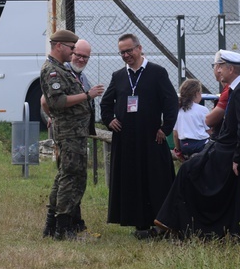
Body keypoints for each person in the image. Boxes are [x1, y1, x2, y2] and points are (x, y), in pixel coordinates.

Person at [154, 49, 240, 240]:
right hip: (224, 148)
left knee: (189, 170)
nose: (216, 71)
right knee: (190, 169)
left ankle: (176, 224)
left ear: (228, 69)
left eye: (217, 67)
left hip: (228, 152)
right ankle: (176, 224)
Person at [100, 33, 178, 239]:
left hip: (152, 138)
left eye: (129, 50)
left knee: (155, 179)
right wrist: (109, 120)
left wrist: (166, 128)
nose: (126, 55)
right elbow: (105, 104)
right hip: (126, 140)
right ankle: (139, 222)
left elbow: (171, 103)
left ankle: (161, 223)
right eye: (122, 52)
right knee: (132, 180)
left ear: (139, 48)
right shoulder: (118, 76)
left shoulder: (157, 72)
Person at [40, 30, 104, 240]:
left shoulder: (60, 69)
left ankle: (54, 226)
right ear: (59, 46)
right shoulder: (52, 70)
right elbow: (56, 102)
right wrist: (87, 95)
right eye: (71, 49)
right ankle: (64, 228)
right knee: (71, 179)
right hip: (69, 133)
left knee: (66, 177)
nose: (73, 53)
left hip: (75, 133)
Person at [172, 78, 210, 161]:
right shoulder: (203, 110)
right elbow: (209, 131)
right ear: (196, 94)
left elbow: (175, 134)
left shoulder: (178, 110)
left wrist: (178, 150)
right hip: (201, 145)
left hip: (184, 145)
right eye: (200, 92)